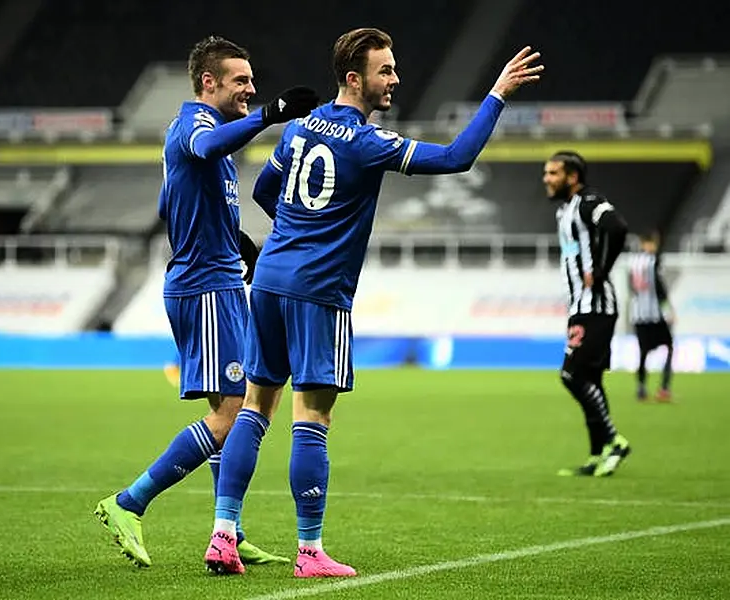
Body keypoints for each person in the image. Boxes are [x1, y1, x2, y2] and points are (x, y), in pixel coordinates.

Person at [203, 27, 543, 577]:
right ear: (355, 79)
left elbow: (265, 192)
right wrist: (497, 93)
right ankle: (309, 551)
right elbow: (457, 156)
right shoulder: (367, 142)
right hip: (319, 291)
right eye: (386, 70)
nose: (396, 78)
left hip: (267, 279)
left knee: (255, 406)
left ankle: (223, 535)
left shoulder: (294, 130)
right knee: (313, 415)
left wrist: (297, 233)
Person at [94, 35, 319, 568]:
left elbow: (172, 199)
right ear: (208, 83)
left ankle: (230, 532)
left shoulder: (207, 135)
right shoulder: (196, 126)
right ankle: (129, 502)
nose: (250, 88)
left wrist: (234, 240)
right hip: (205, 288)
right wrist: (271, 115)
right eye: (240, 81)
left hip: (215, 279)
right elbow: (200, 150)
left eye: (252, 81)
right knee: (237, 412)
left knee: (230, 409)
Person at [543, 151, 632, 477]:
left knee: (573, 375)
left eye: (554, 173)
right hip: (580, 307)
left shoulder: (587, 201)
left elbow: (617, 226)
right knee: (590, 379)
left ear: (573, 177)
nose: (547, 179)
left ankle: (614, 440)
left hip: (595, 306)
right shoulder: (564, 211)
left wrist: (602, 270)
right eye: (546, 173)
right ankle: (598, 454)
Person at [628, 231, 674, 401]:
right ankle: (664, 388)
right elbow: (659, 288)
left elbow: (631, 287)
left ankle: (641, 389)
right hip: (654, 314)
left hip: (638, 314)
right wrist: (668, 310)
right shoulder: (653, 261)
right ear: (650, 243)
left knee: (643, 351)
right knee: (669, 346)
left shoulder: (632, 262)